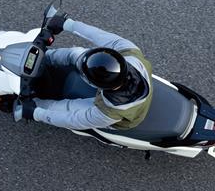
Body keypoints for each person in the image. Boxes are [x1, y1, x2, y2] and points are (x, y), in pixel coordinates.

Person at [9, 12, 154, 131]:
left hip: (124, 119)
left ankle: (32, 103)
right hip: (124, 90)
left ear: (95, 85)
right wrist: (68, 24)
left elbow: (73, 120)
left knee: (62, 108)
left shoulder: (109, 112)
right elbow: (100, 35)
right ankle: (45, 57)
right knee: (76, 53)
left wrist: (35, 113)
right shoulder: (130, 53)